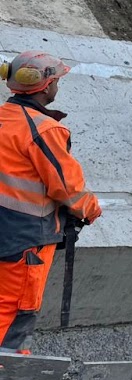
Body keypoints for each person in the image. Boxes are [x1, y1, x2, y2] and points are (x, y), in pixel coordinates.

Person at [0, 52, 100, 350]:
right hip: (22, 242)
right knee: (14, 316)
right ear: (46, 86)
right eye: (57, 81)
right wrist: (92, 210)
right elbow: (68, 189)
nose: (57, 87)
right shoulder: (45, 130)